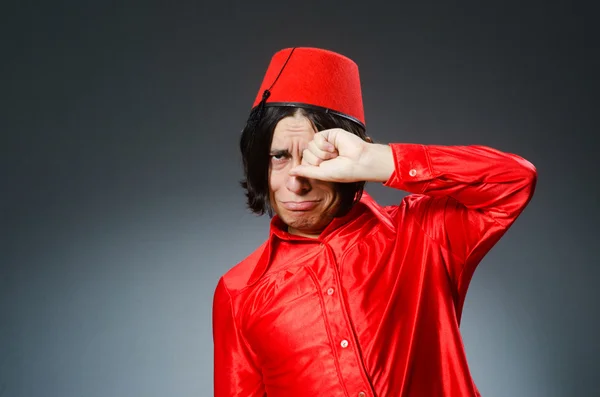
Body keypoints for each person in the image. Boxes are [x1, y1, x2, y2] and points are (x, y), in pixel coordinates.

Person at [212, 47, 537, 397]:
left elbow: (513, 181)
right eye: (279, 157)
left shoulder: (423, 234)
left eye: (313, 156)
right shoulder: (239, 292)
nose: (297, 180)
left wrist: (379, 160)